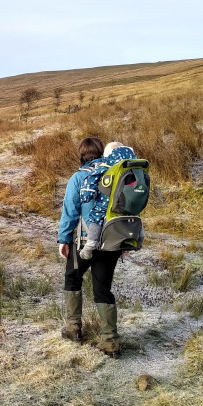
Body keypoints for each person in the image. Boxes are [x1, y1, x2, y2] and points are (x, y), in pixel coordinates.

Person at [57, 137, 123, 358]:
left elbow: (70, 212)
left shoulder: (78, 177)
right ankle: (110, 342)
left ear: (81, 155)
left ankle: (74, 330)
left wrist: (64, 240)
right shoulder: (115, 175)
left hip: (84, 242)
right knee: (102, 289)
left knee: (72, 278)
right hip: (111, 242)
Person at [78, 142, 137, 259]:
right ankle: (134, 239)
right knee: (130, 218)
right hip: (129, 201)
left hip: (107, 201)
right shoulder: (134, 167)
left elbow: (91, 179)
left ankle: (91, 244)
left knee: (96, 216)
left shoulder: (106, 165)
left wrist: (86, 196)